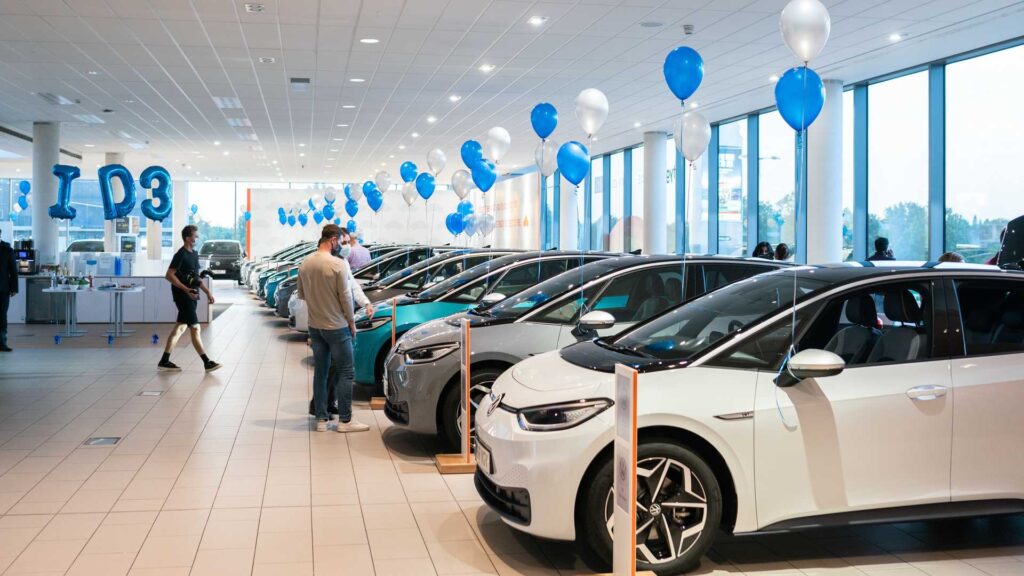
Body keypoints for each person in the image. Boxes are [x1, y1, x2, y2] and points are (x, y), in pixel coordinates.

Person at [298, 224, 369, 433]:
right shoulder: (338, 264)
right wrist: (351, 322)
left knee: (320, 372)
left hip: (315, 326)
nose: (342, 246)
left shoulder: (305, 263)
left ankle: (321, 419)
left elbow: (302, 294)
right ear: (333, 240)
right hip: (337, 326)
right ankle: (345, 421)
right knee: (346, 371)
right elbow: (346, 297)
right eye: (341, 241)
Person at [159, 225, 220, 372]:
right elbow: (169, 275)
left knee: (180, 328)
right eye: (195, 236)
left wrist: (207, 292)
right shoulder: (180, 254)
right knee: (195, 327)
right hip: (182, 296)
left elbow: (196, 277)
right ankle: (207, 362)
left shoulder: (194, 254)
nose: (197, 238)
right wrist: (186, 290)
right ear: (188, 238)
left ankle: (164, 361)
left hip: (192, 295)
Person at [0, 230, 17, 352]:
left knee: (2, 315)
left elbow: (13, 271)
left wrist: (14, 288)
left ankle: (2, 343)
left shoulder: (7, 250)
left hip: (3, 289)